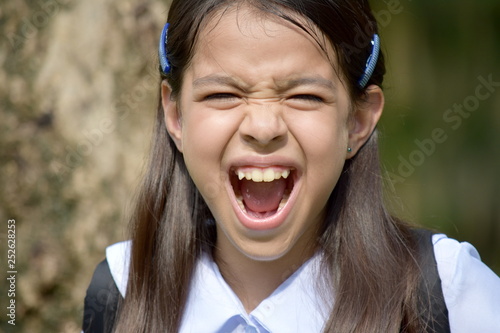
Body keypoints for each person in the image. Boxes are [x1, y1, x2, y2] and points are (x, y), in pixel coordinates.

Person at [82, 0, 500, 332]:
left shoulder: (443, 291)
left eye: (304, 96)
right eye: (224, 94)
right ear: (175, 116)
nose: (263, 127)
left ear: (357, 121)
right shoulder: (122, 292)